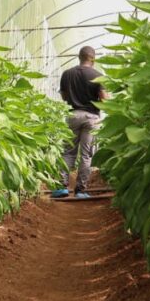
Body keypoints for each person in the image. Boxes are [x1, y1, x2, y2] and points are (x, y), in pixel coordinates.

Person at [53, 46, 108, 199]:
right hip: (91, 117)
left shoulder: (67, 74)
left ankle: (62, 186)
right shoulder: (98, 75)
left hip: (73, 116)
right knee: (86, 154)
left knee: (68, 152)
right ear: (93, 59)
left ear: (79, 57)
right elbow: (104, 99)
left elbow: (64, 97)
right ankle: (80, 190)